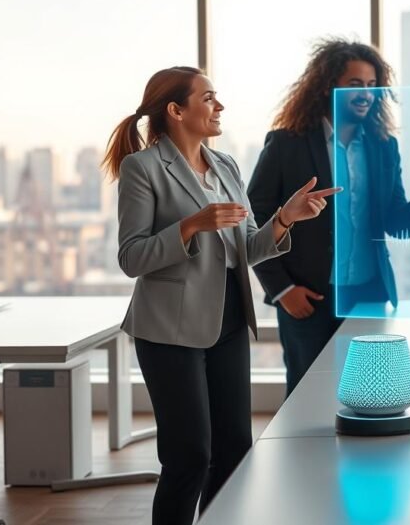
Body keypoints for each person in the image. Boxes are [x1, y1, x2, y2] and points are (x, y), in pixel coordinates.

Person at [103, 66, 339, 525]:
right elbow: (131, 257)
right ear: (176, 110)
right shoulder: (144, 168)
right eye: (209, 98)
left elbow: (249, 246)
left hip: (230, 321)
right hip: (170, 330)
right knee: (189, 455)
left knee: (234, 451)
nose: (220, 106)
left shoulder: (226, 165)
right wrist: (191, 225)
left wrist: (286, 218)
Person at [248, 39, 410, 396]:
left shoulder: (383, 146)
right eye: (355, 86)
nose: (366, 95)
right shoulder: (287, 143)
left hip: (368, 293)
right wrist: (282, 289)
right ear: (326, 86)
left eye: (371, 87)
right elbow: (254, 224)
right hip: (309, 297)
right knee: (309, 398)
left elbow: (395, 223)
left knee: (370, 396)